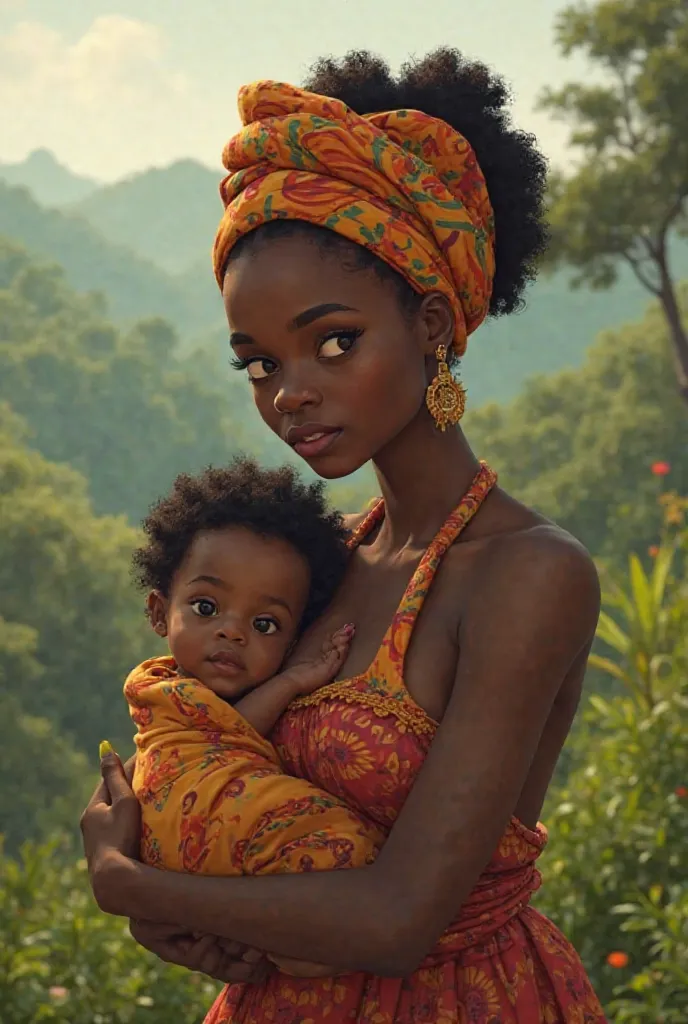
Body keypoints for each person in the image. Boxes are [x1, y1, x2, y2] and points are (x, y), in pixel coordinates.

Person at [80, 49, 607, 1023]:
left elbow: (401, 916)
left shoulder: (528, 574)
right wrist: (187, 900)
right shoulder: (321, 563)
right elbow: (219, 758)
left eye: (334, 342)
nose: (291, 393)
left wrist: (127, 883)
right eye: (258, 362)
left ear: (433, 322)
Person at [124, 458, 383, 963]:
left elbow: (231, 732)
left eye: (265, 624)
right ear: (159, 612)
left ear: (295, 640)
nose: (233, 631)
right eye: (205, 608)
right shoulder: (162, 698)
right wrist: (291, 681)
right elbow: (224, 733)